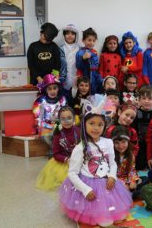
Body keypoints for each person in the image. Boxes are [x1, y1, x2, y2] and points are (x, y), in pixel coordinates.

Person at [59, 95, 132, 227]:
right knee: (98, 217)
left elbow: (113, 163)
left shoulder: (108, 142)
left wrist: (112, 176)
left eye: (100, 124)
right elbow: (72, 173)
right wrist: (85, 189)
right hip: (87, 183)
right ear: (84, 124)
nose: (96, 128)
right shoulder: (80, 148)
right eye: (91, 123)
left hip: (106, 182)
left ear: (105, 126)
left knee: (114, 214)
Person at [36, 106, 81, 191]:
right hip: (64, 162)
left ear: (74, 118)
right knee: (65, 180)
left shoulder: (79, 131)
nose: (66, 121)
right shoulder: (58, 135)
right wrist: (66, 159)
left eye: (69, 118)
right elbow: (56, 154)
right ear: (59, 120)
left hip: (78, 160)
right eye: (63, 119)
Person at [32, 74, 67, 148]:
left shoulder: (62, 100)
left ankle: (57, 150)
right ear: (45, 90)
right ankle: (55, 149)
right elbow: (38, 117)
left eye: (55, 88)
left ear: (58, 89)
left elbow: (66, 114)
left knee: (61, 134)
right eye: (49, 89)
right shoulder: (41, 101)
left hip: (59, 125)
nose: (52, 91)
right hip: (46, 125)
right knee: (45, 137)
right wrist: (37, 131)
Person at [112, 125, 146, 199]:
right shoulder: (111, 156)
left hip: (127, 178)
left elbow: (131, 170)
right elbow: (110, 174)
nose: (121, 146)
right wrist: (122, 184)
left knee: (142, 180)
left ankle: (132, 192)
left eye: (123, 142)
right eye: (117, 143)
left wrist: (132, 181)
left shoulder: (130, 155)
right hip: (115, 180)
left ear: (128, 142)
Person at [132, 85, 152, 170]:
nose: (146, 101)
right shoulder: (135, 113)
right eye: (143, 98)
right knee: (139, 166)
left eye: (150, 99)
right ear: (139, 100)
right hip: (140, 144)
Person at [76, 27, 103, 94]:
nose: (91, 43)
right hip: (84, 77)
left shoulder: (95, 52)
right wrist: (83, 59)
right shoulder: (80, 52)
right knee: (84, 94)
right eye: (89, 40)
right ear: (83, 40)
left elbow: (96, 66)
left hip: (94, 78)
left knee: (93, 94)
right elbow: (78, 66)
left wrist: (99, 78)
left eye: (93, 40)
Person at [60, 24, 80, 93]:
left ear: (75, 36)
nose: (70, 36)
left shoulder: (80, 49)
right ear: (64, 35)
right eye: (67, 33)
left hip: (77, 79)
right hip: (63, 80)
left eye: (72, 34)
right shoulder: (60, 49)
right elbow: (56, 65)